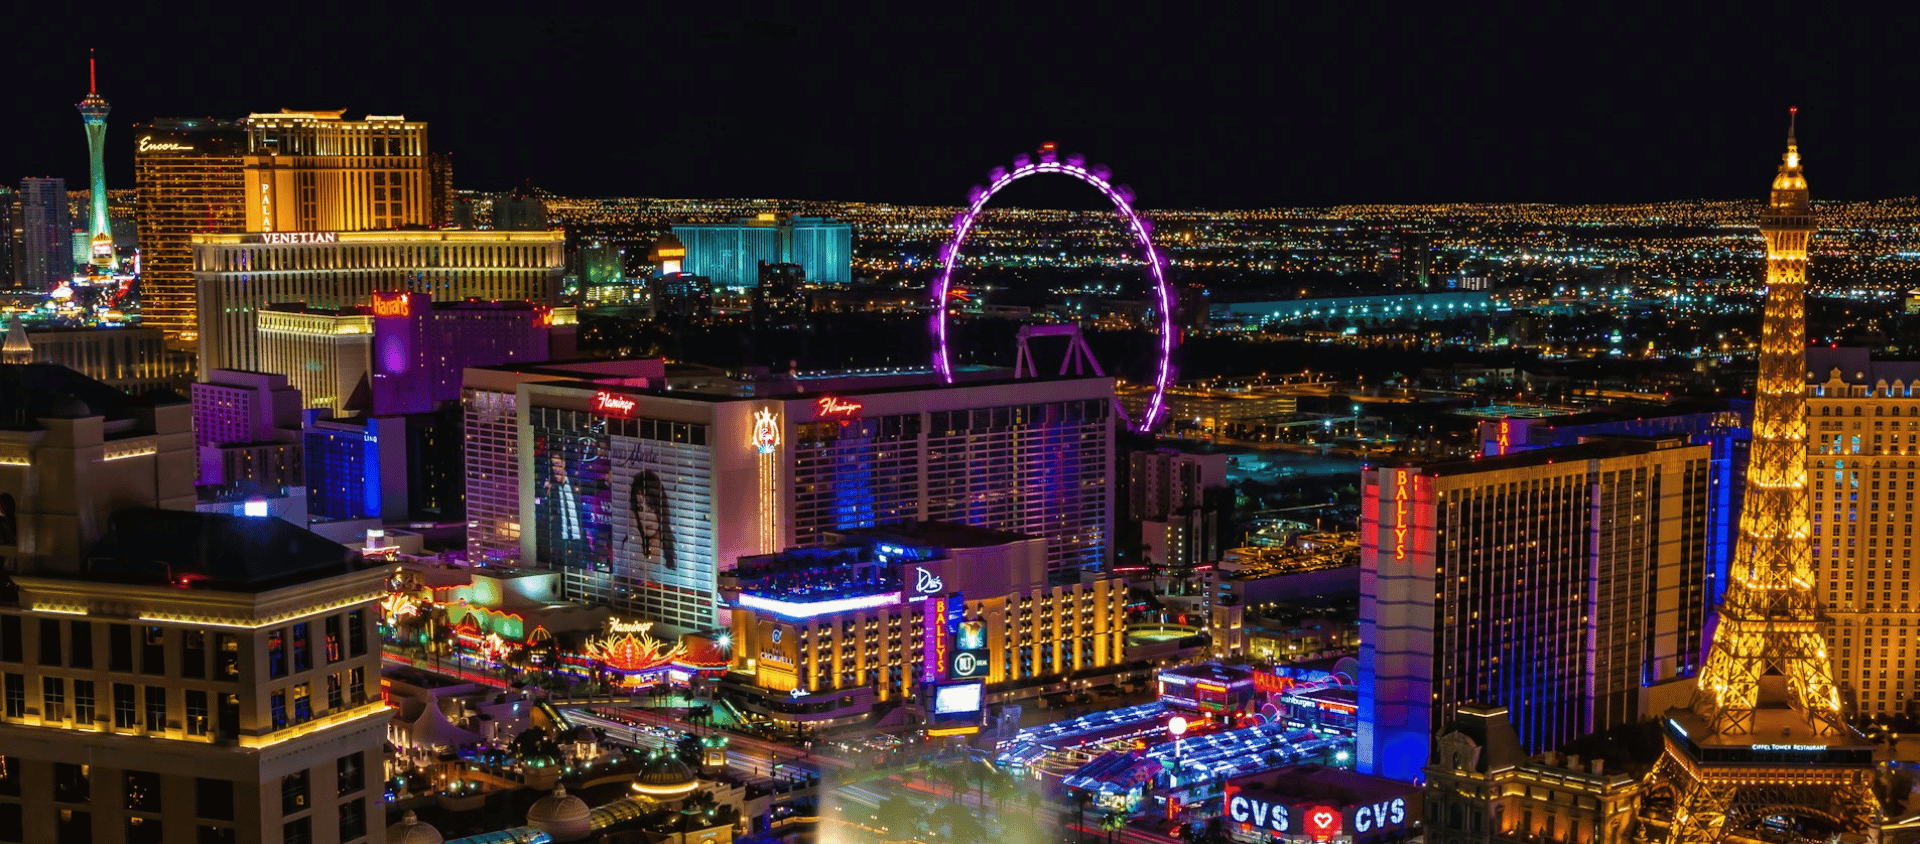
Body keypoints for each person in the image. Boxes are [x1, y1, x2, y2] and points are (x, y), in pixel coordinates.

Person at [626, 469, 678, 570]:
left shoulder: (673, 551)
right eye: (640, 508)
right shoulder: (632, 550)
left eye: (650, 508)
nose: (645, 516)